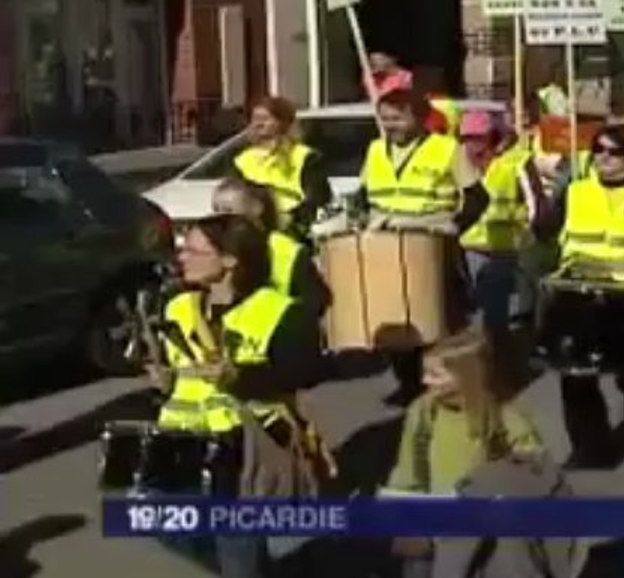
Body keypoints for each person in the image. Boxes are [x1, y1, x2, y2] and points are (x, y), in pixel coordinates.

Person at [146, 214, 327, 578]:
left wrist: (241, 378)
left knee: (236, 547)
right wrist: (164, 383)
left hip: (242, 447)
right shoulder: (178, 307)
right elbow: (181, 376)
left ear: (230, 260)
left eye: (194, 250)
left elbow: (305, 372)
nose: (182, 257)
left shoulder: (281, 312)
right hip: (181, 440)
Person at [532, 124, 624, 472]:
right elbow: (542, 231)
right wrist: (549, 196)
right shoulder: (576, 191)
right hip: (577, 293)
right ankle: (590, 448)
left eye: (613, 152)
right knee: (576, 375)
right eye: (598, 150)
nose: (603, 159)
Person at [383, 323, 544, 578]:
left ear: (465, 376)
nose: (425, 382)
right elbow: (410, 465)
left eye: (435, 375)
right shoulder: (423, 411)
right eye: (425, 374)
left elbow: (533, 468)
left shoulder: (505, 416)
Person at [357, 88, 491, 405]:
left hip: (432, 242)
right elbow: (363, 196)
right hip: (386, 245)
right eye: (384, 118)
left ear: (418, 118)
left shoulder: (446, 149)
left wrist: (453, 227)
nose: (390, 125)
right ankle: (408, 384)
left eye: (397, 118)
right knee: (395, 318)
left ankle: (449, 383)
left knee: (440, 318)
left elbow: (477, 198)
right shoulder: (376, 149)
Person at [457, 110, 542, 355]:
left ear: (493, 137)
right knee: (474, 306)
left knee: (494, 307)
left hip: (503, 246)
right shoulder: (460, 165)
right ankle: (486, 351)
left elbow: (534, 202)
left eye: (478, 138)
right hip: (469, 245)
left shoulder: (514, 163)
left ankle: (497, 354)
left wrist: (527, 230)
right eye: (467, 138)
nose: (472, 144)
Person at [211, 177, 332, 317]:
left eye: (228, 210)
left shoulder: (288, 251)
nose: (220, 217)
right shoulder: (213, 251)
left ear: (257, 208)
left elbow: (317, 302)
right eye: (216, 210)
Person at [230, 96, 332, 240]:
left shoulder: (305, 156)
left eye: (265, 118)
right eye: (255, 118)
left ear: (282, 122)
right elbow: (233, 198)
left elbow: (318, 198)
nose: (259, 124)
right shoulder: (242, 160)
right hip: (252, 232)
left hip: (293, 232)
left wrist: (292, 220)